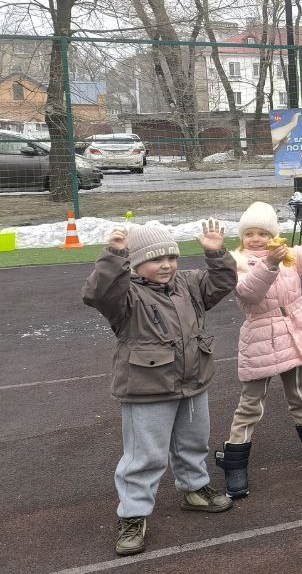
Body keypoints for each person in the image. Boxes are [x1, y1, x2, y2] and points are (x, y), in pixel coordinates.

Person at [83, 221, 237, 557]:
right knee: (145, 456)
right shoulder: (126, 296)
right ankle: (133, 514)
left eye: (171, 257)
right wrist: (115, 255)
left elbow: (223, 282)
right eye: (156, 259)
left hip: (192, 381)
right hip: (147, 389)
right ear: (135, 263)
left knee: (193, 442)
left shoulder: (189, 283)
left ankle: (195, 489)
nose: (166, 265)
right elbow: (98, 293)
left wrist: (216, 254)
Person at [217, 191, 302, 500]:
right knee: (250, 405)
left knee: (300, 394)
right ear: (242, 236)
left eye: (263, 233)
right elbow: (249, 294)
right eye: (250, 233)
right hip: (260, 339)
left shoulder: (288, 257)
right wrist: (269, 264)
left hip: (293, 336)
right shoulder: (237, 262)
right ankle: (235, 464)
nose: (256, 239)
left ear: (273, 235)